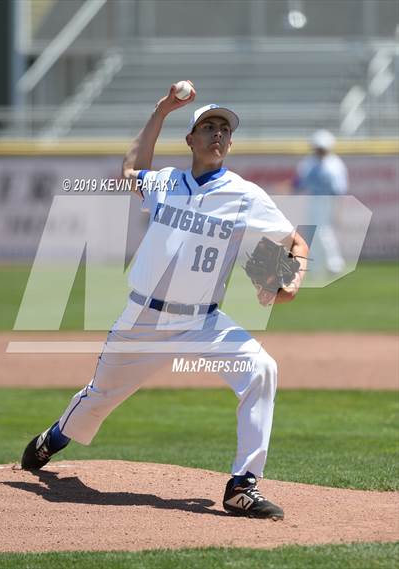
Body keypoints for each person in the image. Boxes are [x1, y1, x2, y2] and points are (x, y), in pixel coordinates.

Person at [21, 82, 308, 520]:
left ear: (231, 142)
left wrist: (290, 280)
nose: (218, 135)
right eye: (208, 127)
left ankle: (242, 485)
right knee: (99, 398)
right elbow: (131, 169)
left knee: (262, 370)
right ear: (190, 139)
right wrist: (161, 109)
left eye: (225, 129)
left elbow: (296, 241)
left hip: (203, 323)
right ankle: (55, 436)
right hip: (143, 318)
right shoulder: (166, 181)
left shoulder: (245, 195)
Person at [291, 129, 348, 275]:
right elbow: (300, 183)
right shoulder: (309, 162)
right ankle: (315, 265)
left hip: (327, 200)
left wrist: (338, 209)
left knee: (324, 232)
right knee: (311, 232)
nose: (320, 151)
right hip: (313, 200)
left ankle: (335, 264)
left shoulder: (335, 164)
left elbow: (339, 190)